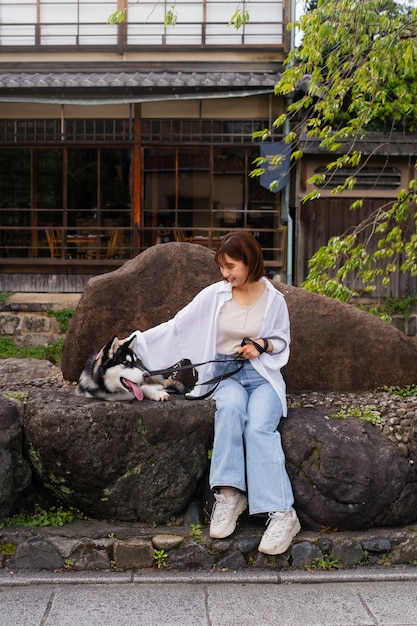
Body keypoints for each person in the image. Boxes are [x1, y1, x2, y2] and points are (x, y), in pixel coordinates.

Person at [123, 231, 300, 555]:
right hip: (225, 375)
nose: (226, 273)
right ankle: (230, 496)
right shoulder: (215, 295)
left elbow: (282, 341)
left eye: (231, 266)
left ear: (250, 262)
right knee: (230, 412)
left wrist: (262, 344)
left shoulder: (273, 299)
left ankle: (283, 515)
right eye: (222, 267)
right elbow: (178, 327)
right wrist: (135, 344)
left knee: (259, 427)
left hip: (262, 378)